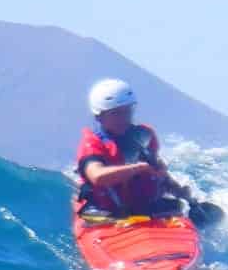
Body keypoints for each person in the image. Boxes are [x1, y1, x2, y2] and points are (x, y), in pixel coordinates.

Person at [75, 79, 220, 226]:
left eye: (127, 111)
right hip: (106, 211)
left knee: (176, 206)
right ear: (99, 116)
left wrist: (181, 193)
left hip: (141, 208)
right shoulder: (92, 143)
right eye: (116, 113)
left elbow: (157, 173)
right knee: (92, 217)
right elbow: (97, 176)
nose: (124, 118)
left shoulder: (143, 136)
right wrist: (137, 168)